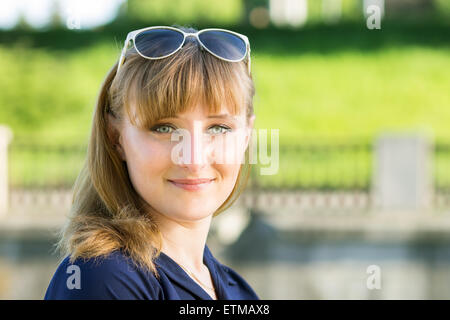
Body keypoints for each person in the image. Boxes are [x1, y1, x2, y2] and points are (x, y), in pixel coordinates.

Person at [44, 25, 258, 300]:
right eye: (164, 128)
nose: (193, 158)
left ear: (246, 137)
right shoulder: (101, 279)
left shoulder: (238, 291)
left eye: (218, 128)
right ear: (116, 137)